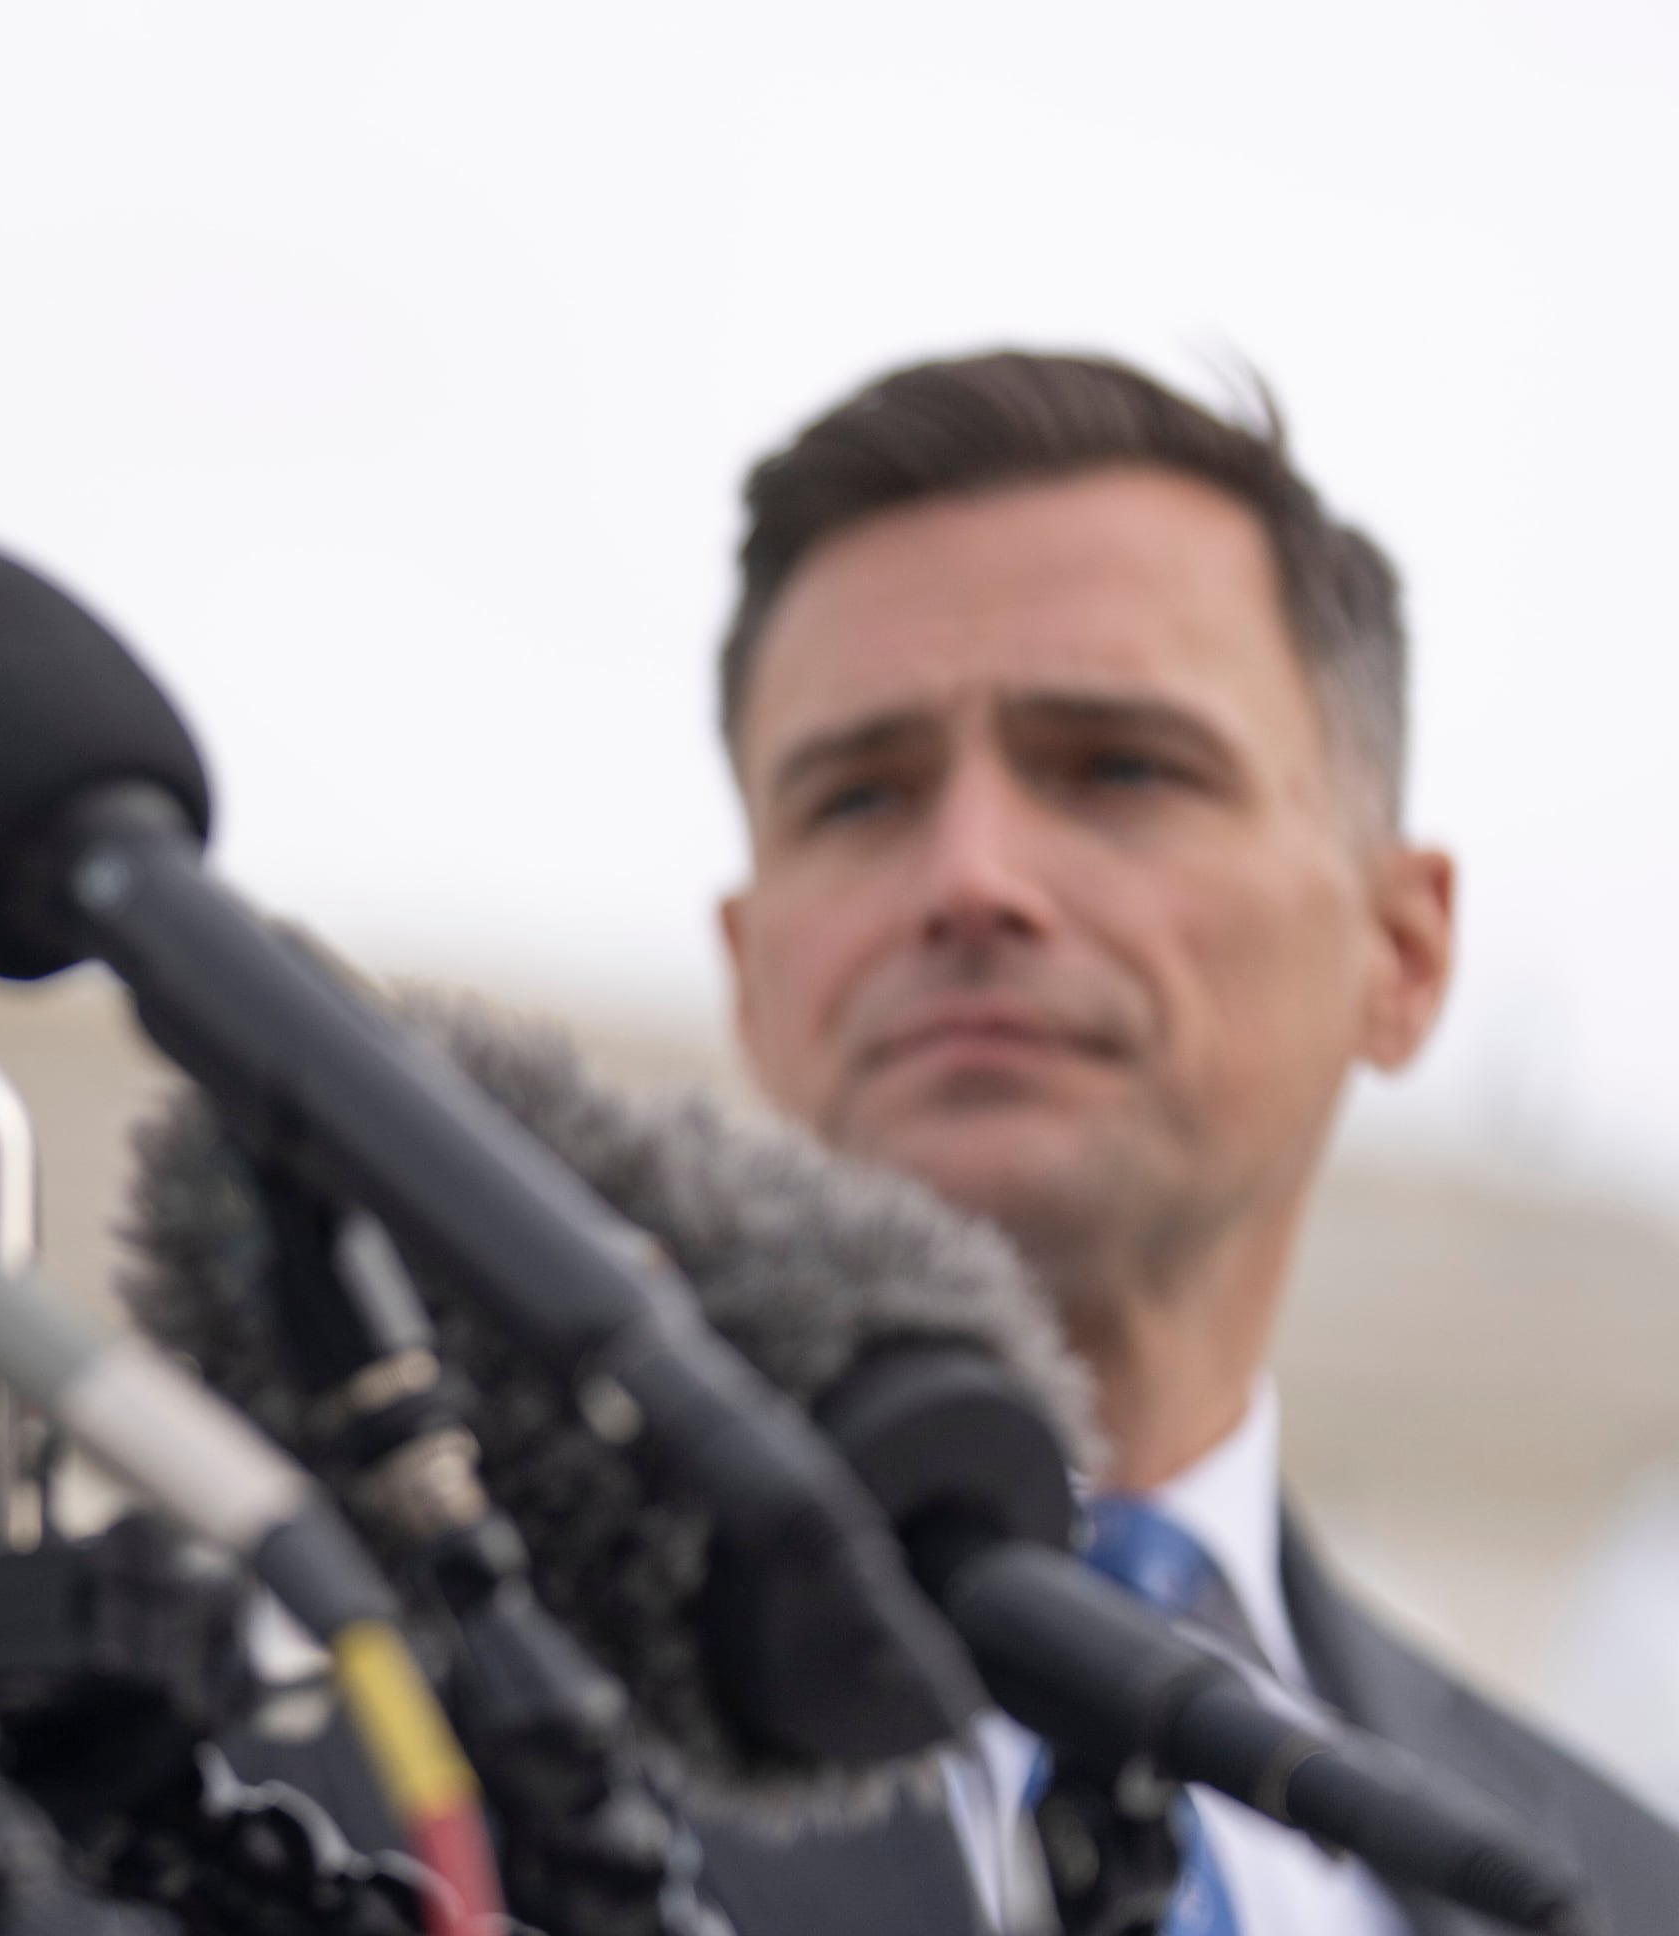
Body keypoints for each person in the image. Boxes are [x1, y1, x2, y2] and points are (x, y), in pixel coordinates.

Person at [688, 351, 1679, 1934]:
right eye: (860, 798)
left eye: (1120, 768)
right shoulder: (369, 1798)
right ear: (749, 977)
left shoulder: (1618, 1890)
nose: (974, 877)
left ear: (1402, 951)